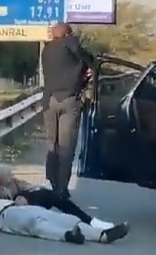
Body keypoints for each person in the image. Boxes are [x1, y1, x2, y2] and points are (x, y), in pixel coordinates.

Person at [0, 165, 115, 229]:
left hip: (24, 200)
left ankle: (90, 221)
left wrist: (22, 196)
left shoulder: (2, 173)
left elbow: (24, 187)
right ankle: (74, 230)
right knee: (45, 221)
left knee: (54, 197)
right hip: (9, 216)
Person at [41, 23, 94, 199]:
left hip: (49, 101)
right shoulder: (72, 44)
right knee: (66, 146)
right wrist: (86, 75)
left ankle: (52, 181)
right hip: (69, 100)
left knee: (52, 144)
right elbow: (90, 61)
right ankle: (61, 188)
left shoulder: (46, 50)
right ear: (68, 33)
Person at [0, 198, 129, 244]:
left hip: (17, 207)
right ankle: (67, 236)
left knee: (65, 218)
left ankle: (101, 235)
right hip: (4, 218)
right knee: (35, 225)